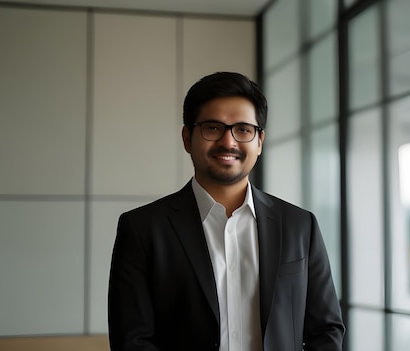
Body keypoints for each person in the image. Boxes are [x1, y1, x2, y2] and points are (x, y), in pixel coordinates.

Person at [108, 72, 345, 351]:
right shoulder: (142, 229)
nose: (228, 142)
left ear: (259, 141)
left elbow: (326, 331)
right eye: (212, 128)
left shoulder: (299, 225)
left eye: (243, 129)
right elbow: (132, 340)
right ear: (187, 138)